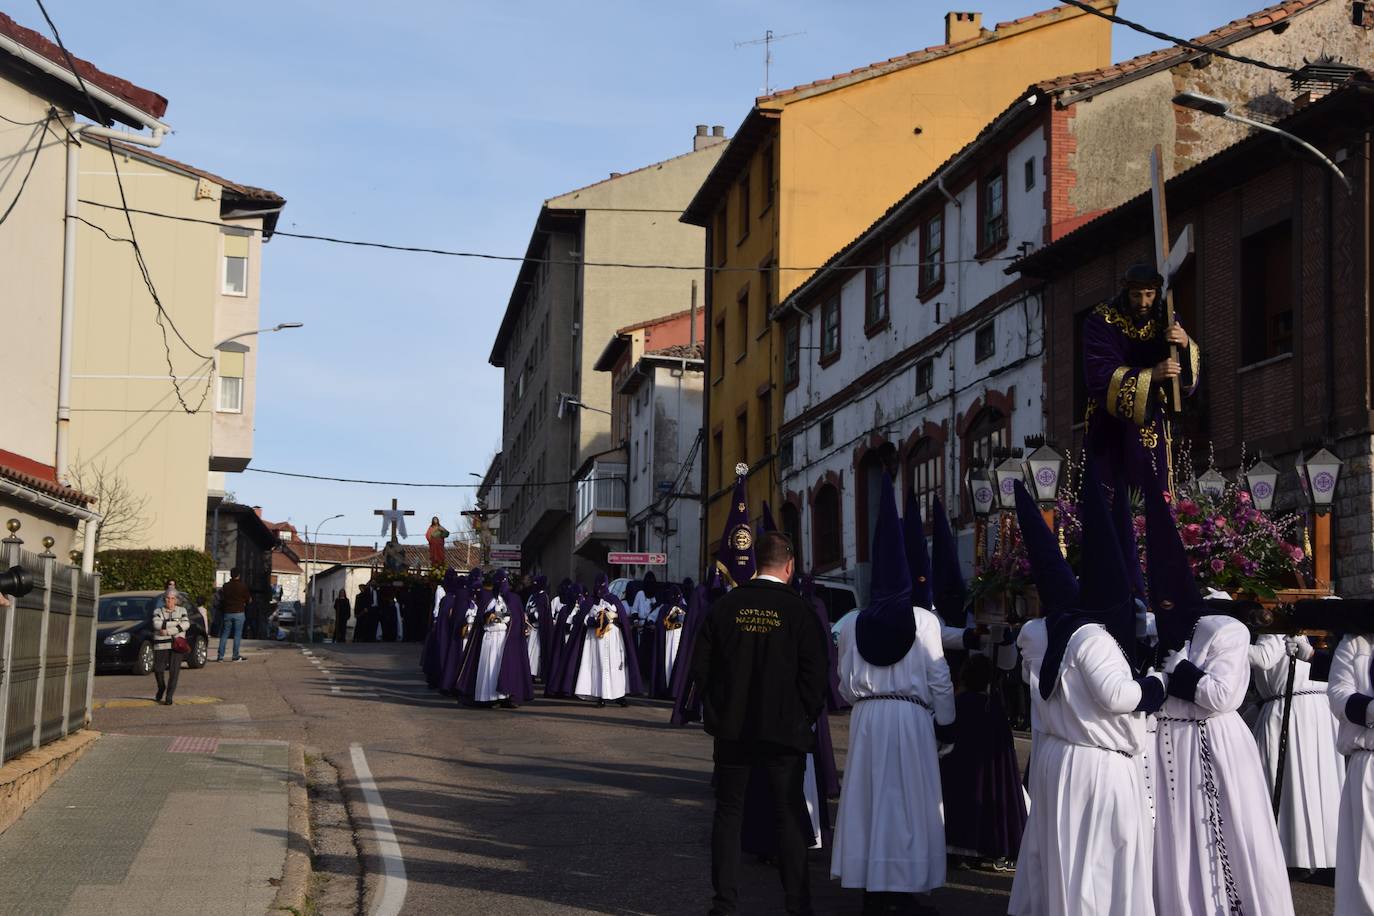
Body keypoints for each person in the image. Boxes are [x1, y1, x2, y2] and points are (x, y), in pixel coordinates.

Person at [1009, 472, 1164, 916]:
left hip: (1064, 760)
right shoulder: (1092, 638)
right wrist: (1155, 686)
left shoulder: (1044, 636)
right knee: (1098, 868)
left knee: (1068, 866)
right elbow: (1116, 695)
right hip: (1097, 767)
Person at [1142, 480, 1294, 916]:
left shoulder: (1228, 631)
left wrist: (1180, 670)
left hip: (1212, 746)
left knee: (1221, 835)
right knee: (1174, 841)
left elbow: (1223, 696)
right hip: (1169, 746)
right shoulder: (1153, 629)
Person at [830, 473, 953, 914]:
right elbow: (939, 678)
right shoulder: (925, 621)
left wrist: (866, 697)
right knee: (907, 803)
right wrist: (946, 724)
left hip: (868, 720)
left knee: (870, 801)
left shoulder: (853, 622)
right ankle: (901, 887)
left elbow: (843, 685)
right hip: (912, 719)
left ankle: (873, 887)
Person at [692, 531, 829, 916]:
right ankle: (797, 905)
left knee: (729, 813)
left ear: (755, 563)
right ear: (789, 566)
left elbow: (701, 668)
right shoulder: (800, 612)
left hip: (734, 730)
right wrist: (803, 716)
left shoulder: (725, 607)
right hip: (784, 732)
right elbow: (816, 675)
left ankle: (724, 905)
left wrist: (719, 710)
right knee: (788, 814)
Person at [1082, 263, 1200, 496]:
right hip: (1110, 422)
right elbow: (1098, 373)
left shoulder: (1166, 316)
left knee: (1155, 487)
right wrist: (1151, 375)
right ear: (1125, 292)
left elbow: (1184, 381)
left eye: (1149, 295)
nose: (1143, 302)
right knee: (1112, 489)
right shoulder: (1101, 320)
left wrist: (1185, 343)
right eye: (1136, 295)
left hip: (1154, 417)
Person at [1250, 629, 1344, 872]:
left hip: (1315, 710)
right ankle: (1292, 852)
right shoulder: (1274, 631)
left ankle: (1326, 855)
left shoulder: (1325, 626)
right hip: (1289, 707)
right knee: (1293, 780)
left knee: (1320, 782)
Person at [941, 652, 1027, 872]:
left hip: (956, 775)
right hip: (986, 774)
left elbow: (944, 732)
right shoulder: (993, 709)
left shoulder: (957, 704)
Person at [1323, 599, 1374, 914]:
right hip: (1369, 759)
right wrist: (1370, 710)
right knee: (1366, 855)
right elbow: (1338, 693)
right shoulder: (1356, 642)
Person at [456, 570, 533, 708]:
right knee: (489, 666)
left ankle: (505, 696)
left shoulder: (513, 599)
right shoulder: (487, 598)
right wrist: (488, 616)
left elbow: (518, 619)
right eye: (498, 581)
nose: (501, 584)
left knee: (506, 667)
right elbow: (480, 618)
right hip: (490, 637)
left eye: (504, 581)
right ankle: (488, 697)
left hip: (505, 639)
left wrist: (510, 621)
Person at [564, 574, 643, 707]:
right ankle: (601, 694)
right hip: (596, 639)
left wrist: (612, 618)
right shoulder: (590, 601)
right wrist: (592, 621)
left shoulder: (614, 600)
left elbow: (623, 618)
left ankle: (619, 694)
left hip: (613, 638)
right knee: (599, 665)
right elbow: (580, 618)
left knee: (616, 665)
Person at [152, 591, 191, 705]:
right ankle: (161, 687)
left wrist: (168, 630)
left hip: (177, 644)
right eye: (168, 598)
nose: (170, 601)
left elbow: (186, 625)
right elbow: (156, 624)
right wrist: (176, 624)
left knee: (174, 672)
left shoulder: (182, 610)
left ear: (176, 600)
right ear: (164, 600)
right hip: (161, 644)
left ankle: (169, 696)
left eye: (172, 598)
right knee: (158, 669)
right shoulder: (158, 611)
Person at [216, 567, 251, 662]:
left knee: (225, 634)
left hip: (227, 612)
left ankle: (220, 656)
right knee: (237, 634)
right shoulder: (242, 586)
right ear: (239, 575)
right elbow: (249, 599)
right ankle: (235, 655)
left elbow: (221, 598)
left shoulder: (225, 586)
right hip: (239, 612)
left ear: (231, 575)